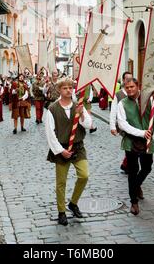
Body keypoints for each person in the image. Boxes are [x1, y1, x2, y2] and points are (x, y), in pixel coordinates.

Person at [113, 79, 154, 215]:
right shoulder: (122, 104)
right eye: (127, 87)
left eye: (132, 86)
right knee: (133, 171)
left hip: (147, 140)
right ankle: (134, 202)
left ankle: (136, 187)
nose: (130, 89)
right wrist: (141, 133)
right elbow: (123, 124)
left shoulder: (148, 99)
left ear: (138, 87)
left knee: (147, 167)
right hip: (131, 141)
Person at [45, 78, 92, 226]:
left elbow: (89, 125)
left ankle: (73, 203)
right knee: (61, 182)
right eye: (65, 88)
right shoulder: (52, 109)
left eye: (70, 88)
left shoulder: (78, 106)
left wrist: (82, 114)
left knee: (84, 175)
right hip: (61, 148)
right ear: (59, 90)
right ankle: (61, 212)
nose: (68, 90)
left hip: (78, 146)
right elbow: (50, 133)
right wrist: (60, 150)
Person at [110, 71, 133, 173]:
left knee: (133, 144)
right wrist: (112, 127)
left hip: (135, 123)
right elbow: (113, 111)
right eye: (127, 79)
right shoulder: (118, 95)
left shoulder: (134, 92)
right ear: (123, 80)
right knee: (130, 143)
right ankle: (128, 165)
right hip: (123, 124)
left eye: (131, 79)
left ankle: (126, 164)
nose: (129, 81)